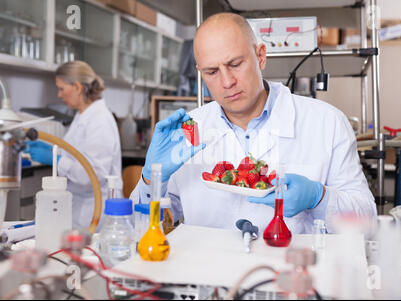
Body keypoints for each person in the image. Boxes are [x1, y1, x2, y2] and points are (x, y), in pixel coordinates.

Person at [130, 12, 377, 234]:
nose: (226, 82)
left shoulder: (327, 122)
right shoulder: (188, 131)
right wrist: (151, 180)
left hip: (293, 275)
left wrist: (318, 198)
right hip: (208, 275)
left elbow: (367, 224)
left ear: (260, 56)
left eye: (235, 64)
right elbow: (133, 228)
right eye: (212, 72)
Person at [26, 60, 123, 231]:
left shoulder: (100, 121)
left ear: (78, 87)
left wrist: (55, 159)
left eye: (62, 88)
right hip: (79, 207)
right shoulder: (83, 115)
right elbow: (75, 152)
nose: (59, 95)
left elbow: (90, 175)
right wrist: (51, 149)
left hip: (94, 212)